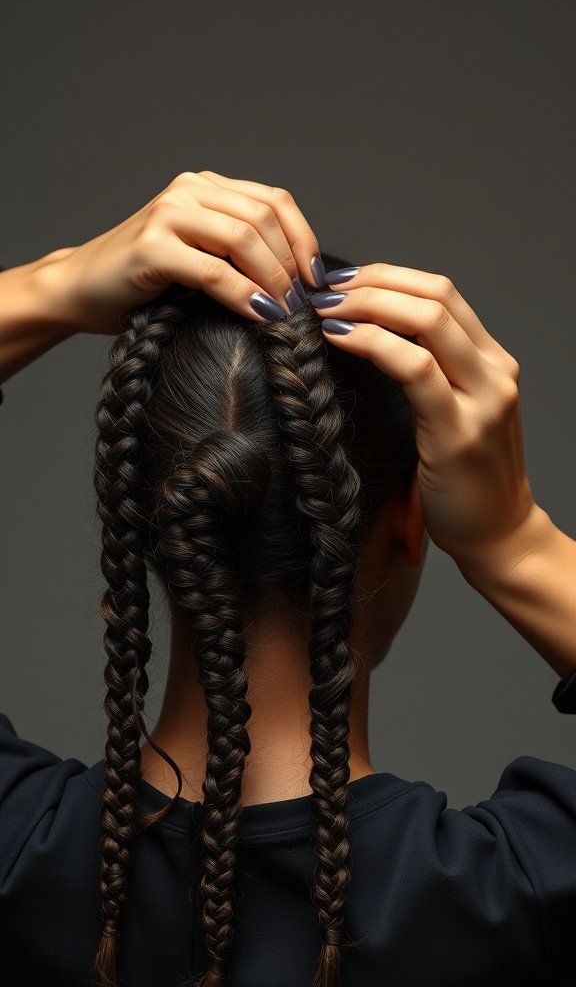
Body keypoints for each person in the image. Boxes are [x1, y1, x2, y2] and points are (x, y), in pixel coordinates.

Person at [1, 170, 576, 987]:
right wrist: (516, 542)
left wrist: (50, 286)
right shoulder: (522, 898)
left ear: (146, 515)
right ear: (415, 520)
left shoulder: (16, 851)